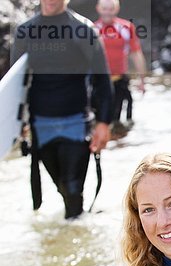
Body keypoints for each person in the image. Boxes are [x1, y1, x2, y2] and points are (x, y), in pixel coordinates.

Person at [11, 0, 113, 219]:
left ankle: (77, 238)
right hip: (42, 125)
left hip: (76, 123)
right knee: (63, 187)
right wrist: (16, 124)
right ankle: (73, 227)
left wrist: (104, 123)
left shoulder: (83, 30)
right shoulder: (25, 31)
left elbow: (102, 79)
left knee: (73, 188)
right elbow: (15, 83)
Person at [94, 0, 146, 132]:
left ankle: (120, 141)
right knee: (99, 119)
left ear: (116, 9)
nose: (107, 12)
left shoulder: (126, 27)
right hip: (98, 82)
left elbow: (136, 54)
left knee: (120, 119)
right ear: (98, 9)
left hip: (119, 79)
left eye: (110, 9)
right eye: (104, 9)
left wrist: (142, 80)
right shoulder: (92, 29)